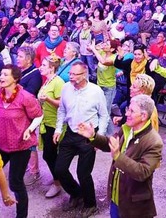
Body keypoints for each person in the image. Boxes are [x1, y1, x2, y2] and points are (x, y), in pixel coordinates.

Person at [79, 94, 163, 218]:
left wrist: (118, 156)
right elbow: (110, 144)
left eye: (132, 111)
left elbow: (143, 172)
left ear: (143, 116)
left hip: (134, 207)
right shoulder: (127, 129)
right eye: (128, 109)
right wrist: (93, 136)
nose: (127, 114)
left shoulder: (154, 141)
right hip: (116, 198)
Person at [0, 64, 43, 218]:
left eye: (5, 75)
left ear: (15, 78)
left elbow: (38, 115)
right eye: (1, 74)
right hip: (3, 144)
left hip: (21, 146)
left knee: (15, 182)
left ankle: (21, 216)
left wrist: (29, 130)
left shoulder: (26, 97)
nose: (1, 77)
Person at [53, 60, 108, 217]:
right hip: (70, 133)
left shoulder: (95, 91)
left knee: (83, 173)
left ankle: (91, 204)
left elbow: (104, 115)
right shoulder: (65, 88)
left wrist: (99, 138)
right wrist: (58, 129)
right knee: (60, 169)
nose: (70, 77)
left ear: (84, 75)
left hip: (88, 136)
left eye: (74, 74)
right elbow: (62, 110)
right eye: (70, 73)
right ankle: (77, 194)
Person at [37, 56, 65, 199]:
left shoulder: (58, 82)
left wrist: (47, 99)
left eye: (43, 65)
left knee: (50, 155)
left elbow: (62, 104)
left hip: (54, 124)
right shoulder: (48, 81)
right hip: (45, 122)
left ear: (51, 67)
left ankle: (58, 183)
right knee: (49, 155)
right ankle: (57, 178)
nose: (40, 67)